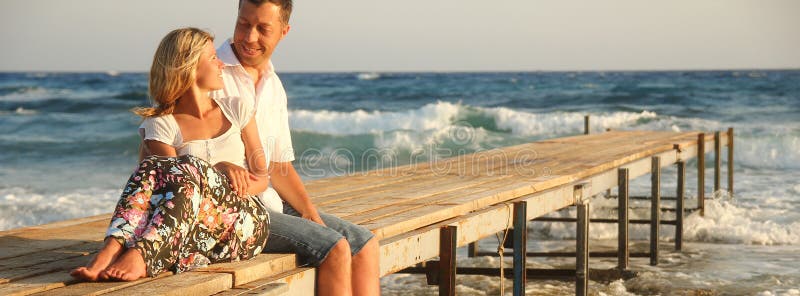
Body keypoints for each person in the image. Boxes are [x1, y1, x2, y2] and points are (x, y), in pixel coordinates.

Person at [71, 27, 271, 281]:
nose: (221, 63)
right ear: (189, 67)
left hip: (245, 222)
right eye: (212, 58)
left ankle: (139, 254)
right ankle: (111, 249)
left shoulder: (236, 108)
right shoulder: (161, 123)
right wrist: (215, 170)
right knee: (156, 167)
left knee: (183, 165)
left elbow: (262, 179)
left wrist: (220, 173)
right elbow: (173, 188)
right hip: (192, 225)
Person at [211, 0, 380, 295]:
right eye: (243, 24)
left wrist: (309, 211)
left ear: (284, 31)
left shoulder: (273, 85)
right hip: (231, 209)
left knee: (364, 243)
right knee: (334, 247)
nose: (250, 37)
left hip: (271, 201)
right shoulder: (209, 73)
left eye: (263, 28)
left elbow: (278, 165)